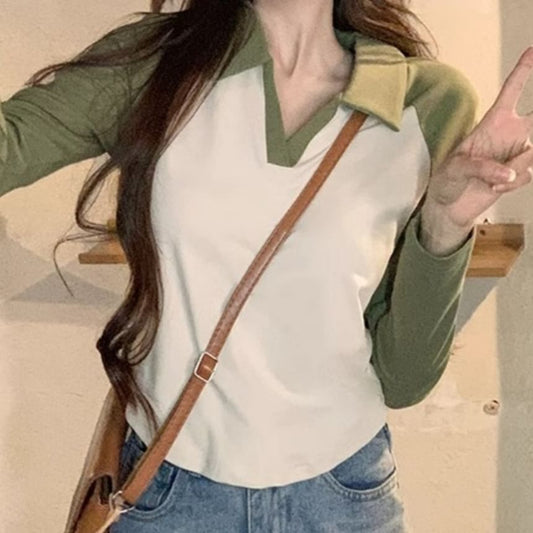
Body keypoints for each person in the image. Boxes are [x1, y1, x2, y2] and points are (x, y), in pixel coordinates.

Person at [2, 0, 532, 531]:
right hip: (170, 492)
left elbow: (404, 379)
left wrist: (444, 223)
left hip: (342, 496)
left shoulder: (424, 101)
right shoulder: (156, 64)